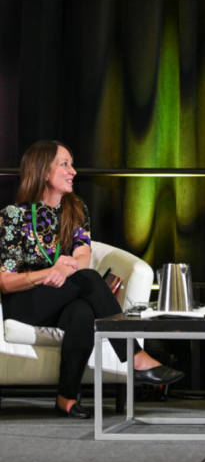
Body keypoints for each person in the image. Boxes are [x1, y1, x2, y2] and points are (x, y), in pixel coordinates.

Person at [0, 140, 184, 419]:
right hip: (24, 302)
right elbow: (5, 282)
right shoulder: (12, 218)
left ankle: (66, 398)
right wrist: (48, 273)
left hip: (62, 297)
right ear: (43, 172)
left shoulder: (75, 210)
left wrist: (64, 270)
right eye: (65, 164)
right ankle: (134, 356)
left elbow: (83, 256)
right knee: (86, 280)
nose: (73, 171)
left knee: (83, 312)